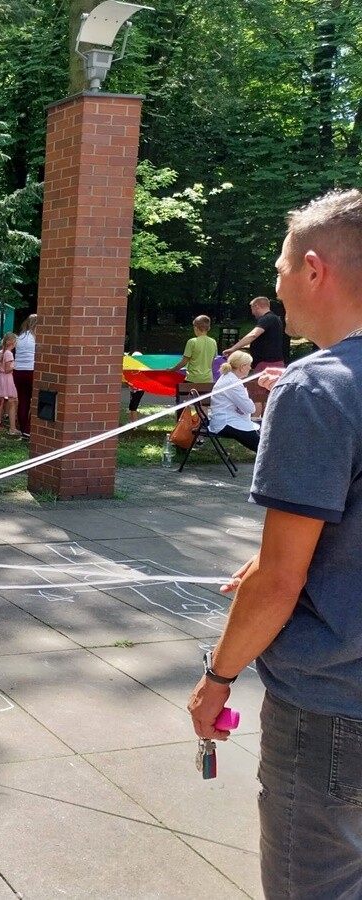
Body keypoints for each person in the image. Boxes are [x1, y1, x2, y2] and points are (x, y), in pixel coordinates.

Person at [186, 188, 362, 898]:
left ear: (314, 269)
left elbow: (282, 581)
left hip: (333, 708)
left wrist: (218, 677)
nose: (278, 285)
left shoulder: (318, 388)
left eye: (283, 268)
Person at [207, 351, 260, 452]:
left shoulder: (229, 378)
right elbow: (250, 408)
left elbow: (245, 407)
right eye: (249, 365)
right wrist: (242, 407)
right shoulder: (232, 382)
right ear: (242, 367)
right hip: (227, 423)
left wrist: (242, 407)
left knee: (264, 438)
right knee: (263, 448)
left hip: (228, 420)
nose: (250, 368)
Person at [172, 314, 218, 386]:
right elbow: (211, 361)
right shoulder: (213, 342)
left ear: (196, 328)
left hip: (193, 379)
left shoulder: (192, 342)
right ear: (208, 328)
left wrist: (172, 370)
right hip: (208, 380)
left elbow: (184, 362)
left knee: (182, 395)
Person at [12, 313, 37, 440]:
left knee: (23, 400)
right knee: (36, 400)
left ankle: (24, 430)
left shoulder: (20, 337)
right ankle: (31, 427)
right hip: (31, 370)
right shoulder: (36, 337)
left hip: (18, 371)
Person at [0, 332, 20, 435]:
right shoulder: (9, 353)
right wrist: (15, 365)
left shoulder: (0, 352)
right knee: (12, 402)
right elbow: (7, 369)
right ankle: (12, 428)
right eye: (15, 342)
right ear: (12, 342)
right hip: (7, 379)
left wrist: (0, 368)